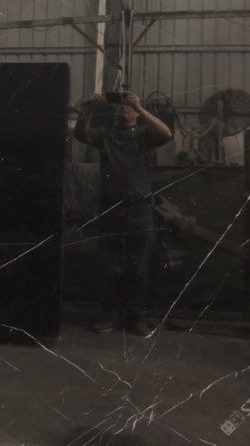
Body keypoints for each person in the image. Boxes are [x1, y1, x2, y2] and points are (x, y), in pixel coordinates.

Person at [73, 90, 172, 337]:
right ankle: (109, 316)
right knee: (109, 265)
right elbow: (81, 134)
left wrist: (140, 108)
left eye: (128, 106)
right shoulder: (106, 135)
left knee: (139, 267)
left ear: (136, 114)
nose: (123, 108)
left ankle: (135, 318)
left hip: (139, 208)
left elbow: (166, 134)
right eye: (121, 106)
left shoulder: (144, 135)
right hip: (111, 208)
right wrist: (89, 109)